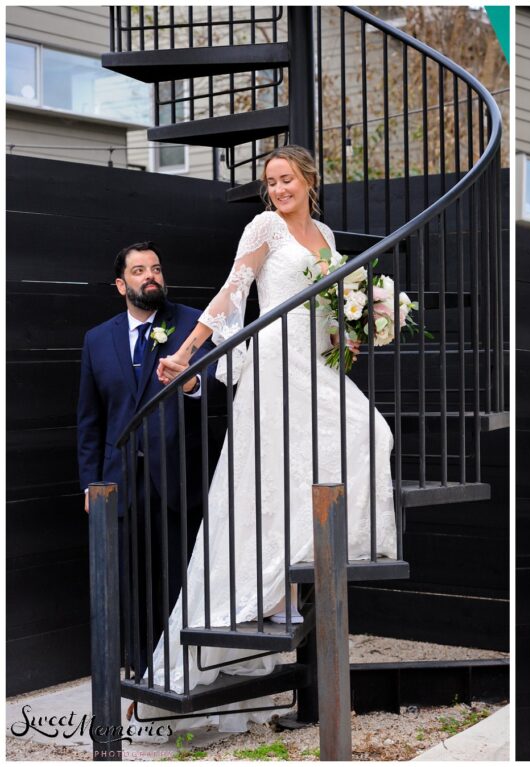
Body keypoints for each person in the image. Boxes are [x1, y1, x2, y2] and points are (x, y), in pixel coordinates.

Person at [139, 145, 398, 729]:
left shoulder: (326, 233)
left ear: (309, 180)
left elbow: (332, 305)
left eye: (286, 180)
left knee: (368, 433)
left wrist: (355, 330)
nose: (278, 189)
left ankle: (307, 562)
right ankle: (276, 588)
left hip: (322, 365)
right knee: (274, 476)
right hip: (278, 367)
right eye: (270, 181)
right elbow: (231, 294)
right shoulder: (263, 228)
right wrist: (184, 354)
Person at [77, 242, 215, 672]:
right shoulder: (97, 339)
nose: (150, 275)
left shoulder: (192, 323)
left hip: (178, 478)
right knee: (130, 581)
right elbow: (90, 420)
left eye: (155, 268)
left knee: (178, 579)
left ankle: (179, 670)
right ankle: (140, 669)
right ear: (121, 284)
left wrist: (192, 386)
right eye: (139, 270)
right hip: (120, 482)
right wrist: (90, 483)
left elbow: (217, 386)